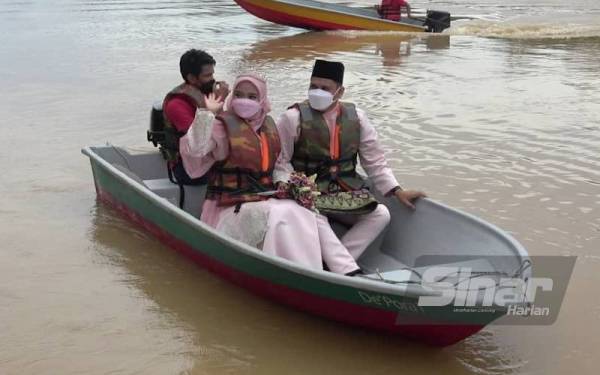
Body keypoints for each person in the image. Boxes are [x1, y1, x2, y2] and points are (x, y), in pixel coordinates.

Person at [179, 74, 361, 275]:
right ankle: (280, 272)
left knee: (303, 210)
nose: (244, 100)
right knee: (278, 214)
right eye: (239, 95)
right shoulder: (220, 126)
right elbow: (194, 150)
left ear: (262, 100)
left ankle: (311, 270)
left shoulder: (269, 127)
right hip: (228, 204)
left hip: (263, 197)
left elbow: (279, 165)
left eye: (251, 96)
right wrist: (206, 113)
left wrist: (289, 184)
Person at [275, 59, 426, 261]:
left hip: (343, 190)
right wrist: (293, 187)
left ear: (340, 92)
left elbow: (374, 161)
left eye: (325, 88)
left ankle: (337, 263)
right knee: (312, 214)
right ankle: (343, 268)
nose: (317, 92)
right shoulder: (292, 118)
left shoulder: (357, 118)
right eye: (313, 86)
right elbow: (280, 162)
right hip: (307, 192)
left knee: (380, 214)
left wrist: (397, 190)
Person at [161, 49, 230, 185]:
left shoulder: (203, 94)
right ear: (192, 78)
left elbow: (223, 126)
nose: (212, 79)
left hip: (209, 156)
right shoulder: (176, 105)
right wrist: (218, 101)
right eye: (207, 75)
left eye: (212, 74)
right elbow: (198, 142)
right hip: (187, 167)